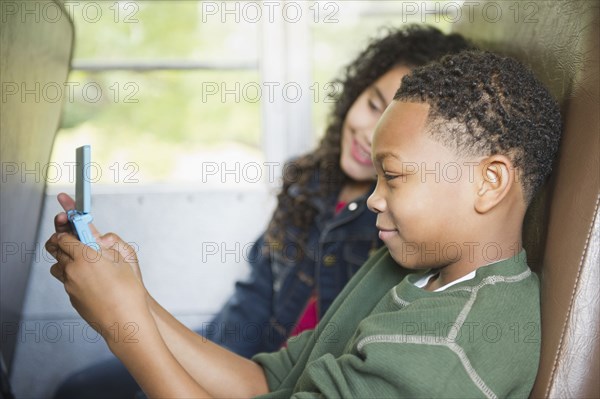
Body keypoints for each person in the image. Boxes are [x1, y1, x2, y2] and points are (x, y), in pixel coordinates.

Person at [47, 49, 562, 398]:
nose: (374, 200)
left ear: (489, 182)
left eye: (394, 177)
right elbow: (266, 380)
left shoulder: (446, 348)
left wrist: (124, 325)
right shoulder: (406, 266)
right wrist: (133, 296)